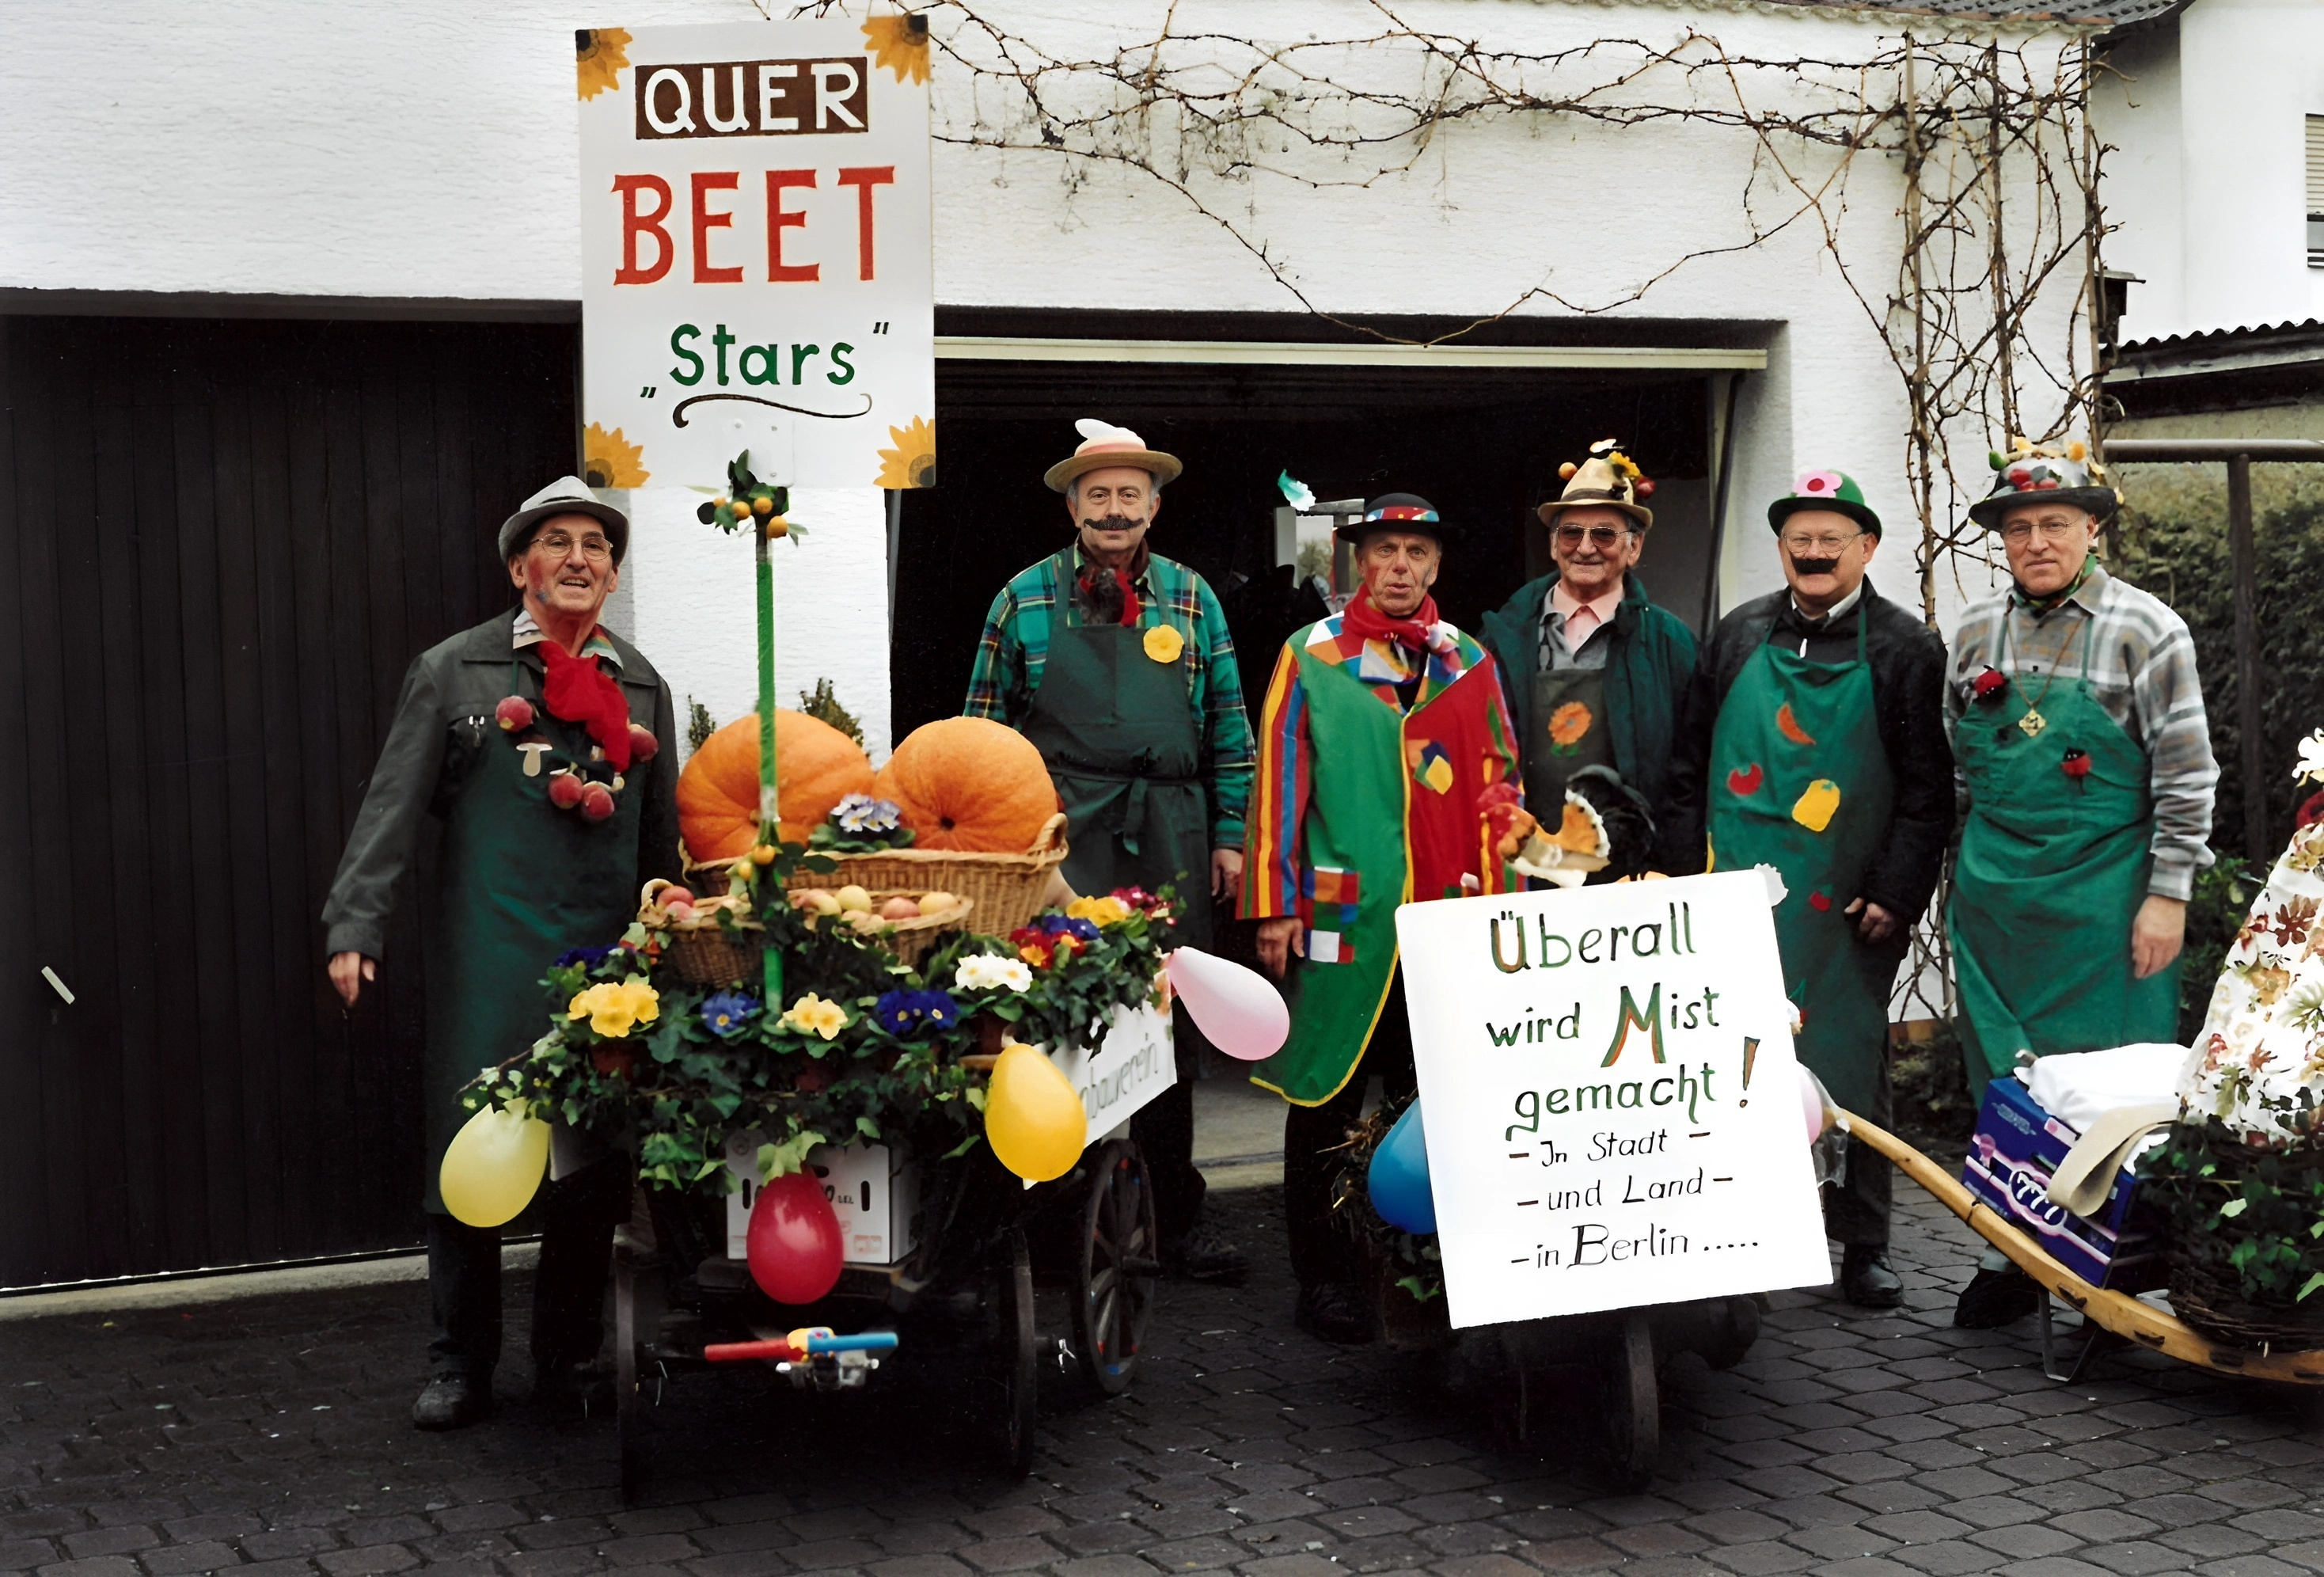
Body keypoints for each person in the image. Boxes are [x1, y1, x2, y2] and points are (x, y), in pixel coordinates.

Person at [321, 477, 682, 1429]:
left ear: (612, 572)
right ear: (520, 566)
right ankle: (459, 1365)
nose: (577, 559)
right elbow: (391, 807)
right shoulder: (454, 672)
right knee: (466, 1161)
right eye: (555, 542)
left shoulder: (641, 686)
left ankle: (564, 1359)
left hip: (603, 969)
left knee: (588, 1170)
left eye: (596, 546)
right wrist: (354, 925)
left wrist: (675, 946)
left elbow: (660, 847)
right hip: (489, 953)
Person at [964, 418, 1255, 1283]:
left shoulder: (1193, 598)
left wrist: (1232, 836)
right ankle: (1050, 1224)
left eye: (1130, 494)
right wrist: (999, 851)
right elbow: (981, 740)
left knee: (1167, 1029)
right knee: (1056, 1023)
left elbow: (1228, 732)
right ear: (1072, 506)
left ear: (1154, 506)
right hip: (1060, 836)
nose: (1114, 510)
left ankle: (1171, 1219)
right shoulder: (1020, 599)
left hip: (1171, 827)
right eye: (1098, 495)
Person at [1661, 471, 1951, 1309]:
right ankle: (1731, 1232)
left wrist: (1895, 895)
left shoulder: (1904, 648)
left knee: (1848, 1063)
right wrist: (1685, 886)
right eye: (1800, 538)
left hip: (1846, 905)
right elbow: (1686, 768)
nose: (1814, 552)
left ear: (1865, 549)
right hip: (1730, 894)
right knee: (1728, 1060)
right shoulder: (1736, 634)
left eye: (1832, 538)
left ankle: (1860, 1243)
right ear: (1781, 548)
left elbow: (1927, 791)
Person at [1945, 442, 2216, 1329]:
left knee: (2106, 1088)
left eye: (2053, 524)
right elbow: (1963, 759)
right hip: (1995, 899)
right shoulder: (1975, 632)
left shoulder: (2146, 629)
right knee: (2007, 1085)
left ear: (2090, 529)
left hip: (2106, 901)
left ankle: (2108, 1269)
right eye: (2016, 528)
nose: (2034, 542)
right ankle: (2013, 1258)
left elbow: (2185, 775)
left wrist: (2167, 892)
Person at [1244, 494, 1524, 1343]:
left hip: (1447, 914)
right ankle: (1324, 1278)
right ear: (1357, 563)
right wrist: (1272, 905)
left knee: (1426, 1099)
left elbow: (1501, 782)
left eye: (1416, 552)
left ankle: (1419, 1274)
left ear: (1436, 566)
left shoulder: (1467, 660)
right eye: (1384, 551)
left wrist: (1502, 897)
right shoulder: (1312, 655)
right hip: (1341, 916)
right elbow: (1279, 782)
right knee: (1325, 1096)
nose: (1400, 566)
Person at [1480, 439, 1698, 830]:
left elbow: (1689, 779)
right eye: (1571, 533)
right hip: (1525, 863)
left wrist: (1669, 871)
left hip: (1626, 873)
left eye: (1604, 534)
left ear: (1635, 547)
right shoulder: (1501, 638)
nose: (1584, 548)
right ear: (1552, 543)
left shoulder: (1672, 645)